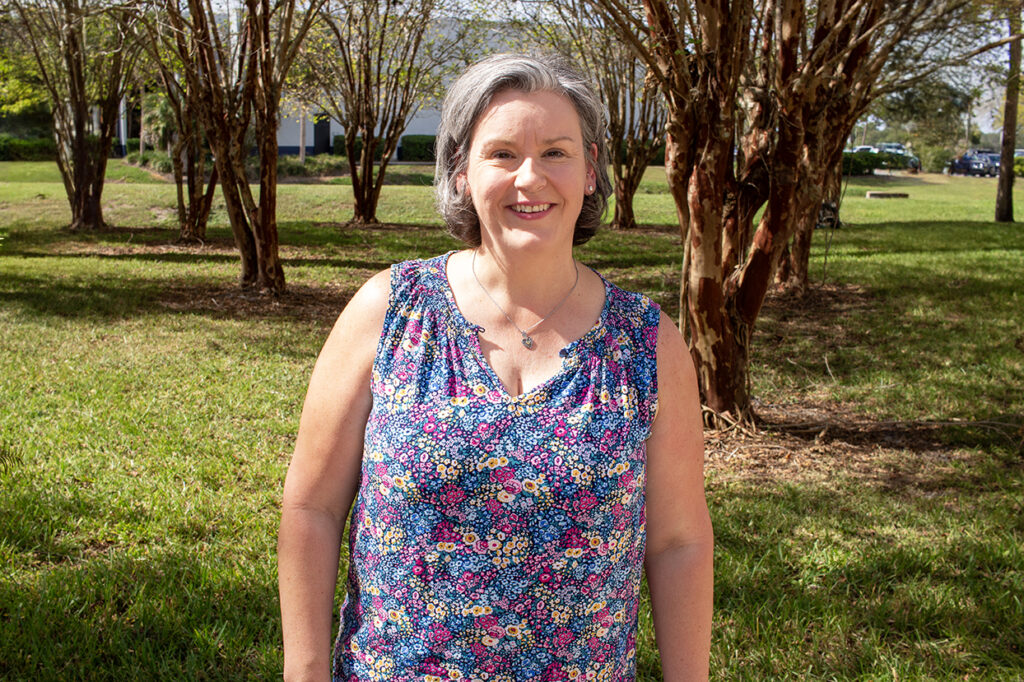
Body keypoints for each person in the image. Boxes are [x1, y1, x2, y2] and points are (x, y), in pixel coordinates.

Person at [278, 53, 713, 682]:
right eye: (502, 153)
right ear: (461, 173)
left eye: (556, 153)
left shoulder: (648, 344)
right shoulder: (388, 313)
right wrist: (306, 670)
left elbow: (678, 544)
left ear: (591, 171)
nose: (529, 178)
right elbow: (311, 509)